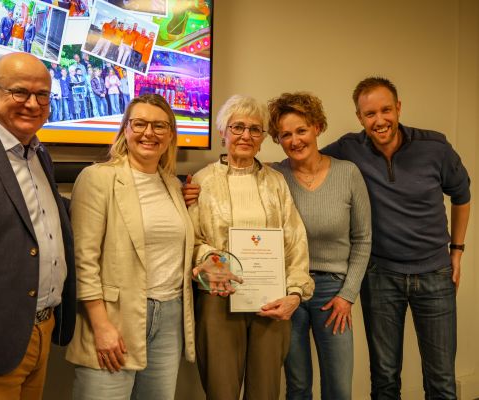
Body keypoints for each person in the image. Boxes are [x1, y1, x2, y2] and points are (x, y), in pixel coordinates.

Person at [321, 76, 471, 399]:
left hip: (435, 274)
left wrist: (457, 251)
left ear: (398, 108)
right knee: (385, 379)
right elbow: (308, 162)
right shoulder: (349, 148)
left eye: (386, 110)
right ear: (360, 117)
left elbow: (462, 195)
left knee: (441, 380)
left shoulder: (435, 147)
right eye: (370, 114)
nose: (380, 120)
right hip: (380, 276)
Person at [66, 93, 195, 400]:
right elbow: (83, 259)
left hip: (169, 315)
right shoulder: (97, 178)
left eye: (160, 126)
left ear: (170, 135)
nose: (149, 133)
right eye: (139, 124)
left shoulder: (173, 185)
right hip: (114, 316)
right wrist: (101, 325)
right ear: (125, 129)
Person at [188, 94, 314, 400]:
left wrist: (295, 293)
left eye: (255, 129)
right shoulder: (201, 181)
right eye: (238, 127)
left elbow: (294, 239)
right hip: (218, 298)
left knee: (265, 391)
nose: (246, 135)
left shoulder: (276, 182)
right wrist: (209, 258)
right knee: (221, 391)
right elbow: (190, 240)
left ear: (263, 138)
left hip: (270, 301)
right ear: (223, 132)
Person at [0, 52, 76, 400]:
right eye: (20, 92)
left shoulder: (38, 153)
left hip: (41, 329)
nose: (32, 104)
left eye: (42, 95)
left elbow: (37, 216)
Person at [267, 92, 372, 400]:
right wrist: (194, 189)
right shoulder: (275, 176)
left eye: (301, 130)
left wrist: (347, 295)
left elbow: (363, 239)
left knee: (338, 389)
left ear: (317, 127)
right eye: (285, 134)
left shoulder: (348, 173)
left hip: (333, 294)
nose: (294, 140)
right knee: (297, 387)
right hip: (289, 290)